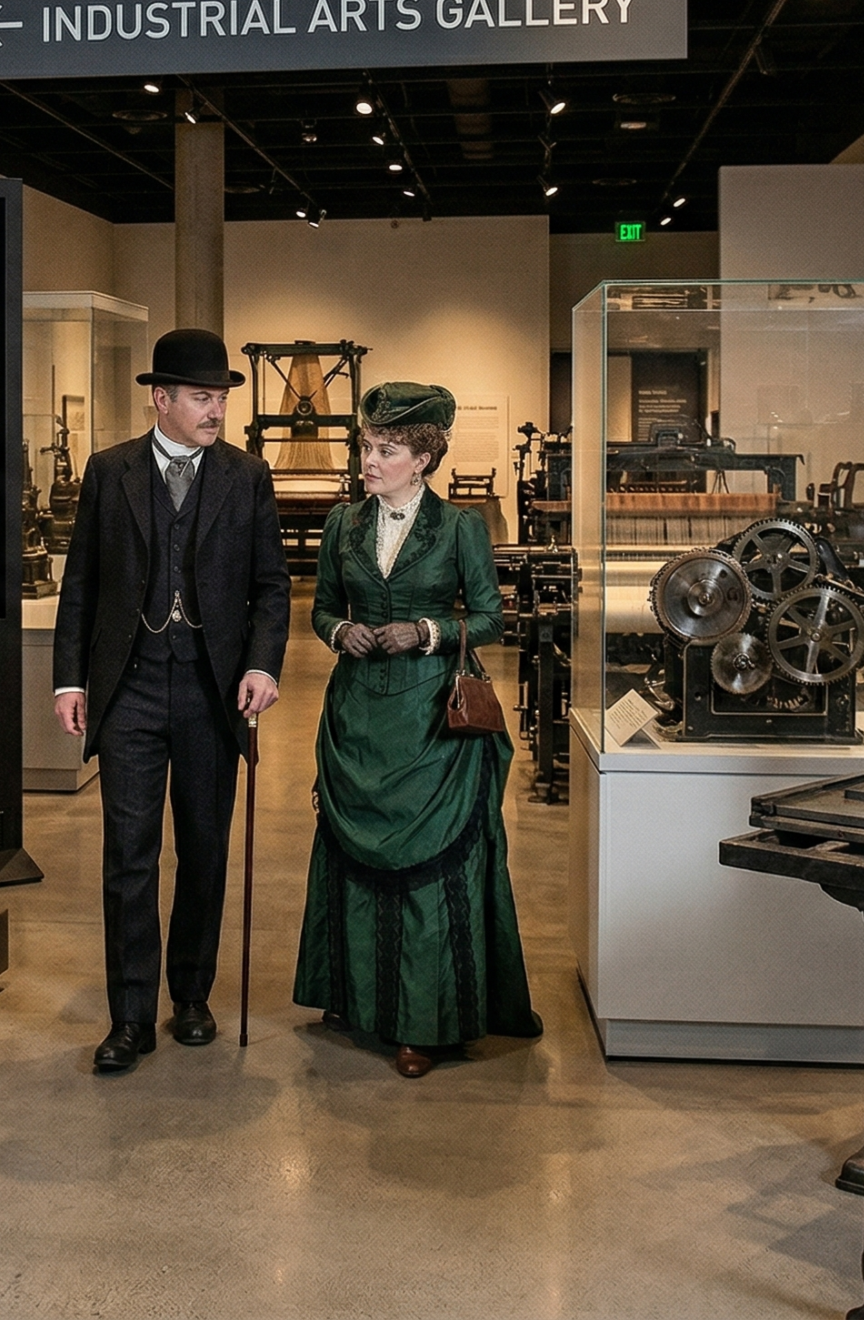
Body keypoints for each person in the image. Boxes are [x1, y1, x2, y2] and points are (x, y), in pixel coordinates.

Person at [53, 327, 290, 1074]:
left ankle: (190, 994)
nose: (215, 410)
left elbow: (271, 587)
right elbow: (81, 583)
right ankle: (129, 1017)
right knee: (128, 855)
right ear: (161, 399)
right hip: (128, 689)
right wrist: (70, 679)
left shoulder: (246, 477)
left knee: (205, 848)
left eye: (220, 398)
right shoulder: (109, 470)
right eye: (200, 397)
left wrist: (262, 665)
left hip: (211, 693)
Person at [293, 381, 541, 1078]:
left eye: (386, 450)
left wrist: (427, 631)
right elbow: (318, 612)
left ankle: (423, 1022)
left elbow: (493, 618)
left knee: (429, 864)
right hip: (356, 716)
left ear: (424, 458)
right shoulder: (343, 524)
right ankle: (352, 999)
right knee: (354, 861)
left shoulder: (461, 528)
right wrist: (343, 631)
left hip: (433, 720)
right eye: (367, 447)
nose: (369, 461)